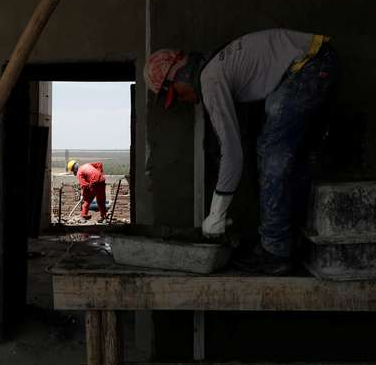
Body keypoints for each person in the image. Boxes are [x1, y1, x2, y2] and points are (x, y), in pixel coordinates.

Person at [143, 28, 338, 275]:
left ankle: (276, 251)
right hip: (315, 61)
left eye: (175, 95)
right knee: (291, 156)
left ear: (180, 74)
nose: (183, 101)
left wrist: (216, 215)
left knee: (271, 153)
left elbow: (233, 154)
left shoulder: (210, 79)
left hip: (309, 65)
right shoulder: (217, 67)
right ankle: (288, 242)